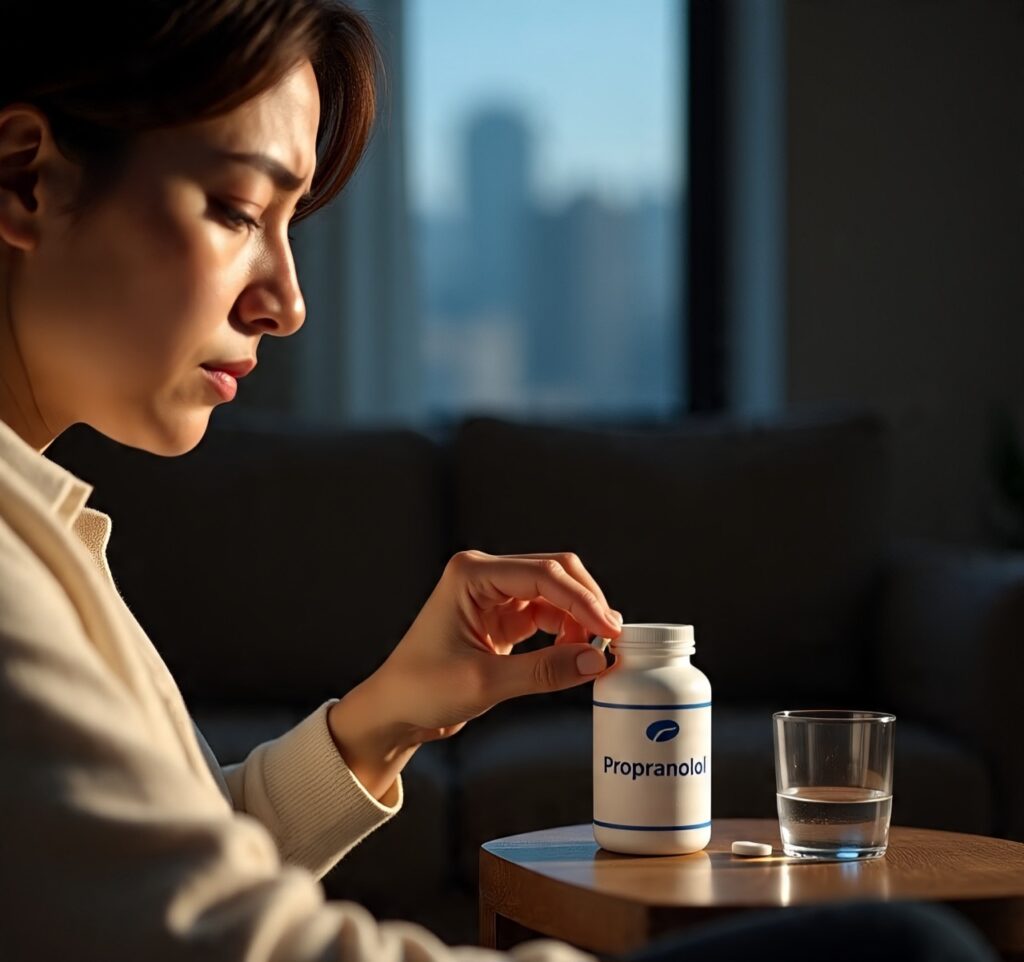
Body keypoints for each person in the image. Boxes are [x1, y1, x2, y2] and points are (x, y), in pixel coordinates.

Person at [0, 3, 999, 961]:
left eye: (291, 223)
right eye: (237, 209)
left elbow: (141, 878)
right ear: (24, 176)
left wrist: (388, 715)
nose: (288, 302)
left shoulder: (43, 521)